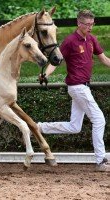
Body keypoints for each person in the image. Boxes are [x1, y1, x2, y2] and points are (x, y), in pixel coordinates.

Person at [38, 10, 110, 172]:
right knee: (99, 120)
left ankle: (38, 127)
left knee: (74, 126)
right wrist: (44, 74)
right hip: (77, 87)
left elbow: (104, 60)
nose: (90, 27)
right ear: (79, 24)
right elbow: (57, 61)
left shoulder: (91, 39)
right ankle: (100, 161)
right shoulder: (70, 41)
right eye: (87, 24)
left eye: (92, 24)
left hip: (83, 87)